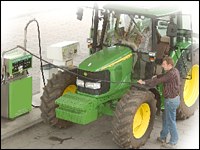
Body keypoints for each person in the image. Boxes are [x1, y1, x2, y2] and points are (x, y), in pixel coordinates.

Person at [137, 56, 181, 148]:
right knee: (165, 118)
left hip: (171, 101)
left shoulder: (170, 74)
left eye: (164, 64)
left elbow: (159, 81)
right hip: (173, 99)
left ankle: (173, 141)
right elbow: (163, 76)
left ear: (169, 65)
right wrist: (156, 75)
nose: (162, 66)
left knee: (170, 121)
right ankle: (163, 137)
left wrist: (144, 82)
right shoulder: (174, 71)